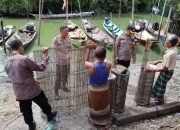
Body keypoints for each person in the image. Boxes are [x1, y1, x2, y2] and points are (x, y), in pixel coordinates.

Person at [4, 39, 57, 130]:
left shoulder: (6, 62)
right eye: (23, 47)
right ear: (20, 47)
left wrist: (30, 80)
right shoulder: (24, 59)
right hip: (32, 90)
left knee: (26, 111)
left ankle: (31, 125)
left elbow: (14, 77)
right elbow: (41, 67)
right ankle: (49, 115)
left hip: (20, 93)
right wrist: (44, 54)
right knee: (44, 103)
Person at [144, 35, 178, 105]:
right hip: (169, 70)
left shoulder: (170, 54)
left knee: (161, 86)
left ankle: (160, 101)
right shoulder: (174, 49)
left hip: (167, 72)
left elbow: (165, 69)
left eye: (167, 40)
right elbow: (167, 61)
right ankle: (157, 98)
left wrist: (151, 70)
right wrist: (158, 61)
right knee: (158, 84)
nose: (165, 41)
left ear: (170, 43)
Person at [85, 42, 112, 126]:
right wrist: (96, 49)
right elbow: (105, 59)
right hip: (104, 88)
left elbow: (86, 60)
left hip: (94, 90)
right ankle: (104, 120)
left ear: (95, 56)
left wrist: (88, 49)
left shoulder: (90, 66)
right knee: (103, 104)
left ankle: (94, 120)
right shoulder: (109, 65)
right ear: (104, 56)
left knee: (94, 105)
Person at [52, 25, 72, 100]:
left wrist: (70, 55)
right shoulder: (56, 40)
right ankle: (56, 92)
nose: (67, 32)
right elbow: (56, 51)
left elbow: (70, 49)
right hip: (59, 63)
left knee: (66, 75)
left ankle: (64, 87)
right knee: (58, 78)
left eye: (68, 31)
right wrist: (65, 57)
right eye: (66, 31)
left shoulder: (69, 39)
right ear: (61, 31)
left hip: (67, 63)